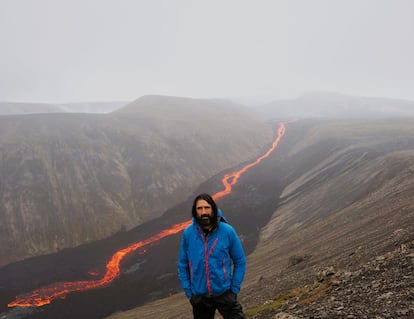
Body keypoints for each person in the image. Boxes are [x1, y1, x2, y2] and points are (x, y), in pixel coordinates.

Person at [177, 193, 247, 319]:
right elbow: (183, 264)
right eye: (199, 208)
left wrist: (234, 290)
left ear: (213, 209)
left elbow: (240, 260)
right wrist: (190, 293)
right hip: (200, 297)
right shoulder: (188, 233)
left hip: (224, 292)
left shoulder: (227, 231)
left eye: (207, 207)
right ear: (195, 211)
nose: (203, 212)